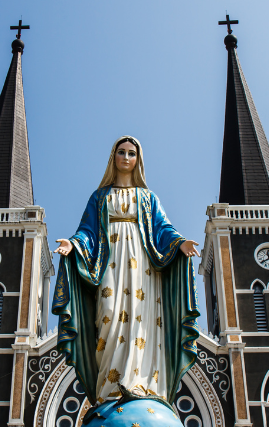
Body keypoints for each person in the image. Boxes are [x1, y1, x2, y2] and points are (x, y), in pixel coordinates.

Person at [51, 135, 201, 406]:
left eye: (132, 154)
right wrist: (72, 245)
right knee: (109, 314)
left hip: (143, 267)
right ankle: (109, 390)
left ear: (138, 160)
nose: (126, 158)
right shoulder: (99, 197)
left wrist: (180, 243)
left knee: (142, 322)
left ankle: (143, 386)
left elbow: (162, 229)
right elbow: (87, 232)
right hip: (110, 261)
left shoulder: (147, 197)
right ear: (114, 157)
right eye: (122, 152)